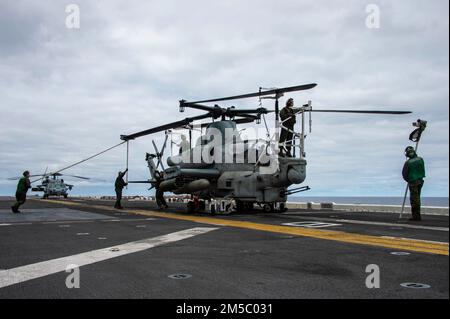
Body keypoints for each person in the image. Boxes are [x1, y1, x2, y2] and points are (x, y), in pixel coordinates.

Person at [402, 146, 426, 221]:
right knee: (417, 198)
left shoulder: (408, 163)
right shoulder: (421, 159)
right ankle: (417, 215)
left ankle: (416, 216)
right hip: (420, 180)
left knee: (414, 199)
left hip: (413, 182)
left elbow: (404, 174)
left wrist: (408, 180)